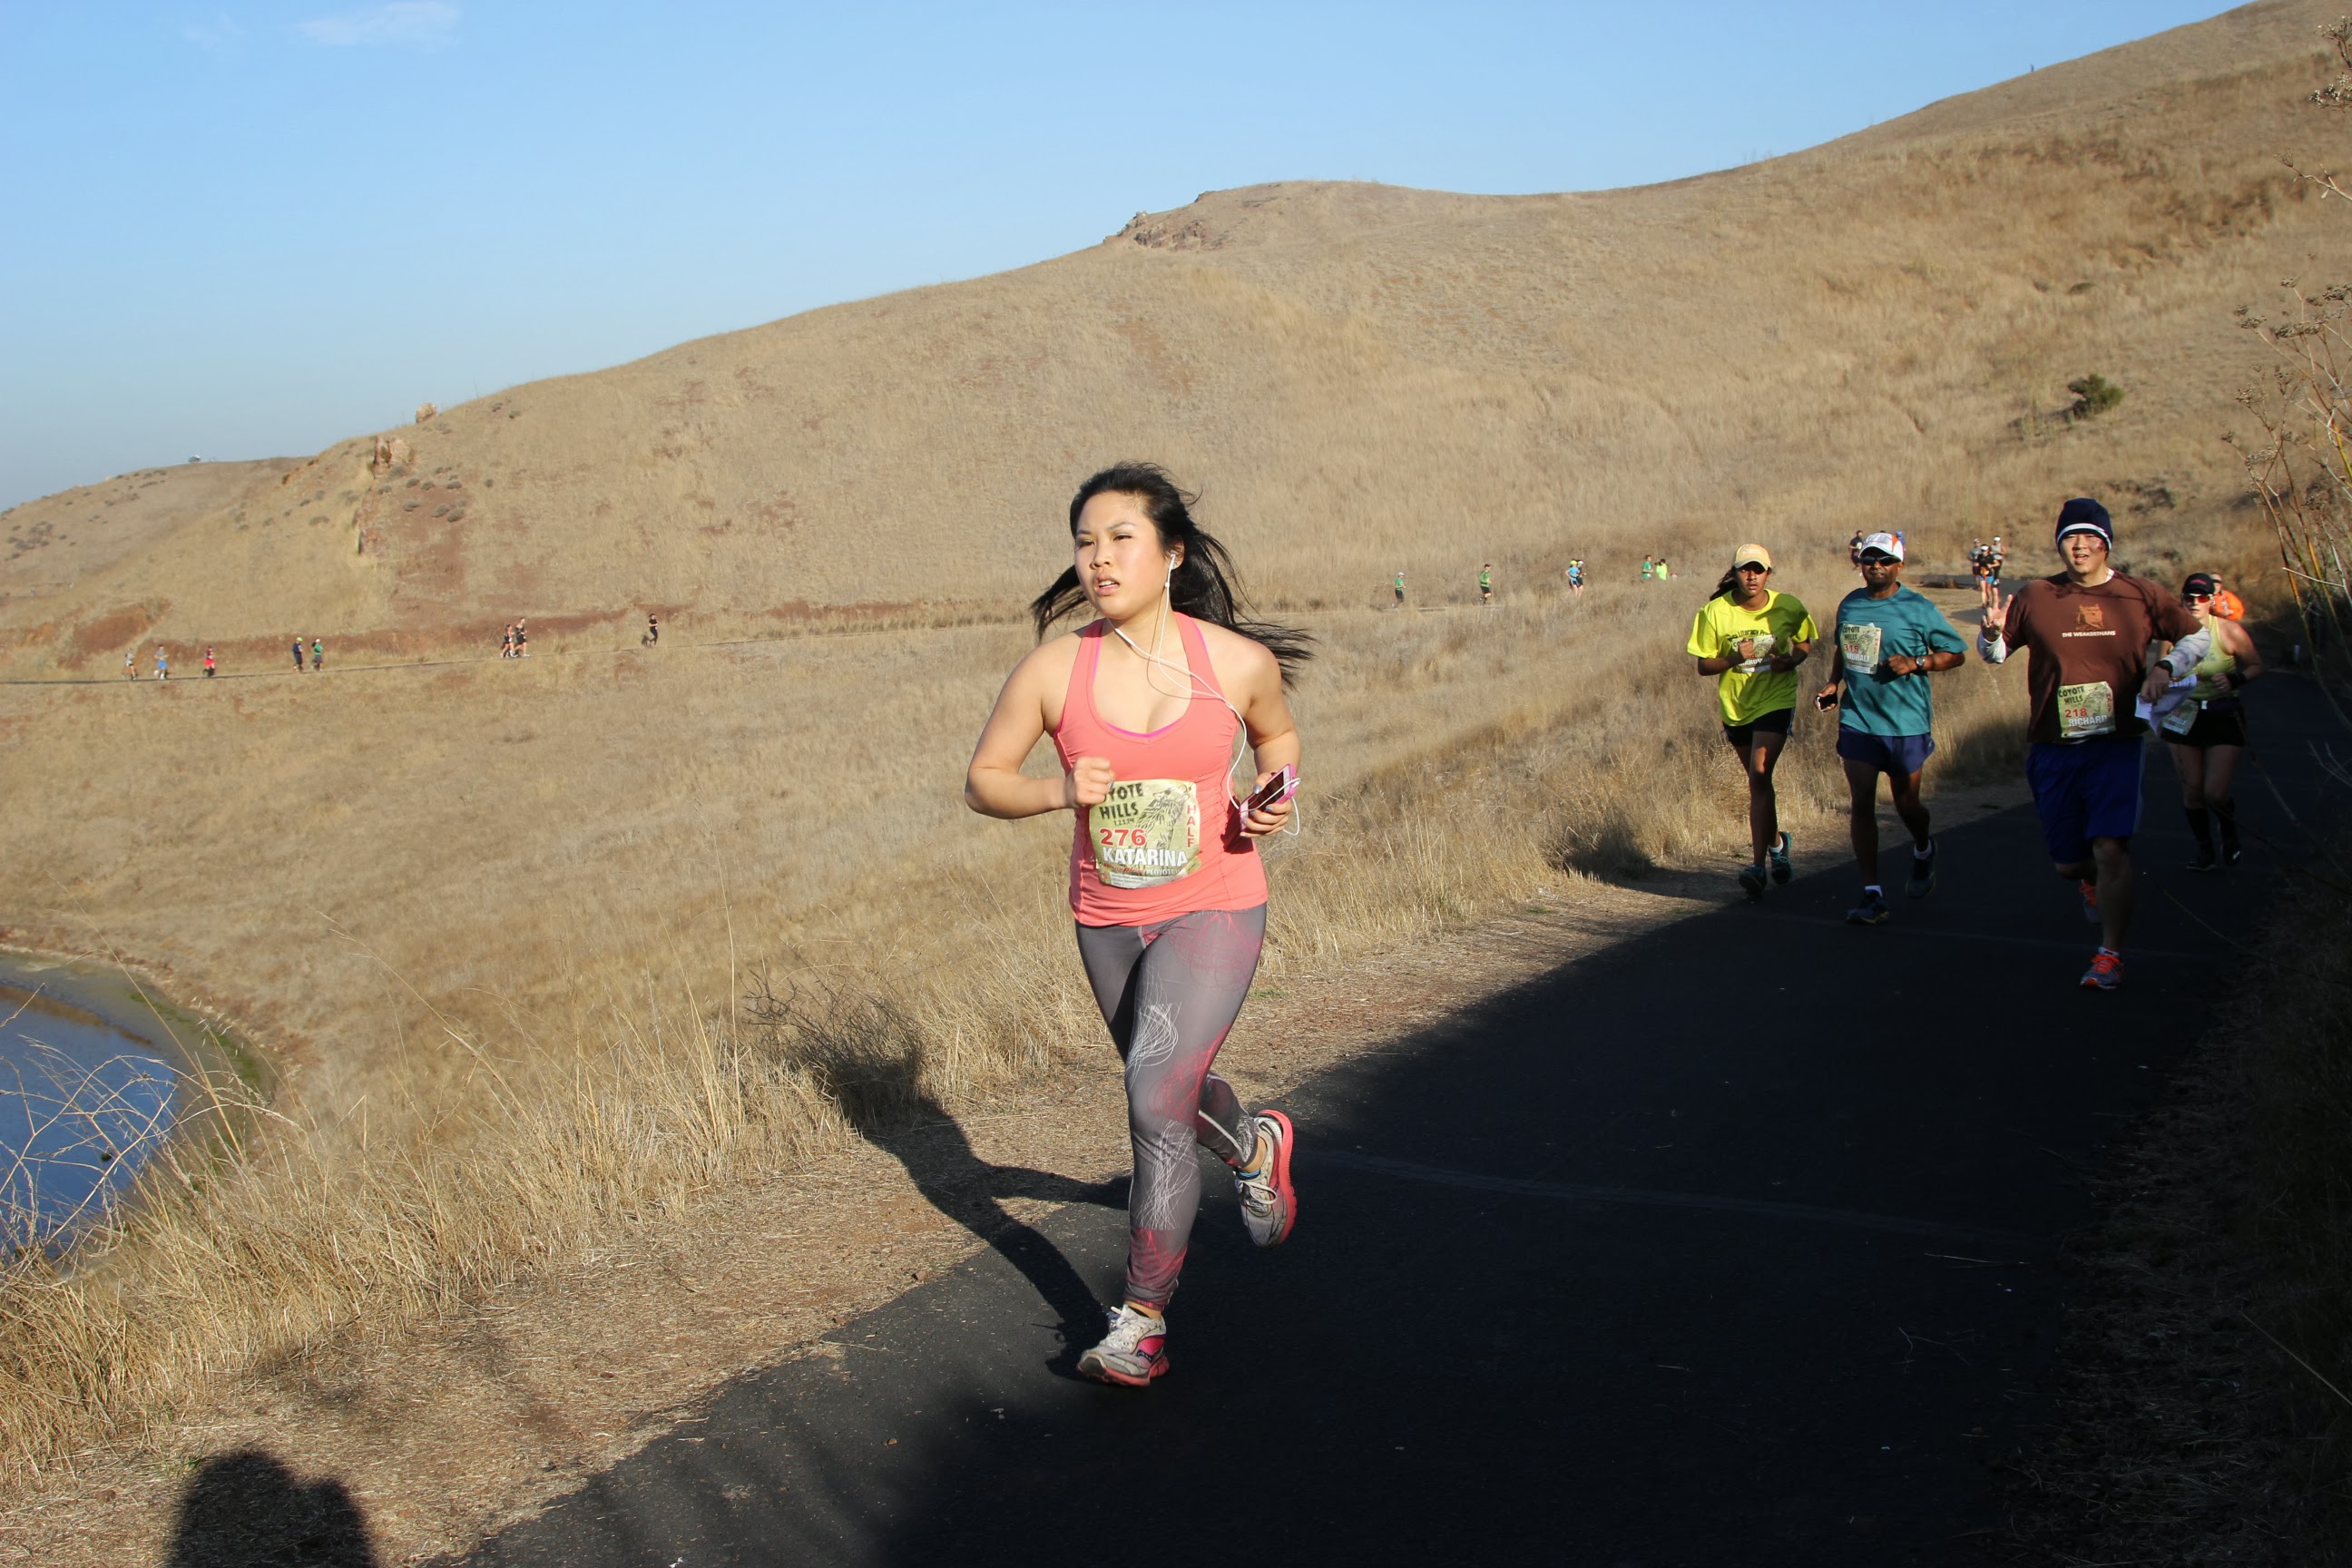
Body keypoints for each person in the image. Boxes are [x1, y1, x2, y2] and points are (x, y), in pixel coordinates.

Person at [963, 462, 1308, 1387]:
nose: (1100, 558)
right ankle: (1255, 1143)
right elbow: (982, 780)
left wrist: (1275, 799)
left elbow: (1278, 742)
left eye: (1121, 538)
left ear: (1172, 554)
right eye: (1085, 541)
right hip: (1108, 919)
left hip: (1217, 902)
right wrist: (1050, 791)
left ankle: (1141, 1321)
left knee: (1154, 1097)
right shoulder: (1053, 670)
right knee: (1171, 1088)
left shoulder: (1233, 663)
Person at [1980, 498, 2210, 990]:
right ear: (2059, 543)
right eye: (2070, 536)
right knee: (2069, 864)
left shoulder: (2139, 594)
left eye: (2090, 536)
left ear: (2106, 542)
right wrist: (1990, 635)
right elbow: (1996, 655)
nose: (2079, 545)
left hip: (2115, 742)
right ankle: (2089, 883)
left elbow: (2197, 638)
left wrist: (2166, 667)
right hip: (2052, 743)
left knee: (2110, 849)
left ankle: (2110, 953)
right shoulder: (2036, 595)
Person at [1817, 533, 1967, 925]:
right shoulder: (1849, 604)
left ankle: (1922, 847)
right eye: (1869, 559)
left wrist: (1919, 664)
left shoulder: (1918, 608)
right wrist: (1835, 684)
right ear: (1860, 564)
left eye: (1884, 560)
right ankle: (1872, 893)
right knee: (1862, 800)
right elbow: (1843, 648)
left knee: (1906, 804)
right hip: (1858, 719)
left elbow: (1956, 654)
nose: (1876, 566)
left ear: (1899, 565)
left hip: (1905, 721)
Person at [1687, 544, 1816, 899]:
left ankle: (1758, 866)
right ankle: (1777, 844)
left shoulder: (1788, 606)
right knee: (1759, 783)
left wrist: (1791, 661)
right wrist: (1731, 658)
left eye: (1759, 570)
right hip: (1737, 706)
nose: (1752, 576)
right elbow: (1702, 666)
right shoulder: (1715, 612)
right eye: (1746, 570)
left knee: (1760, 773)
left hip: (1776, 698)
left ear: (1769, 574)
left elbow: (1806, 640)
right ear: (1736, 573)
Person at [2160, 571, 2263, 869]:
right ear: (2181, 600)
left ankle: (2228, 832)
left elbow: (2257, 665)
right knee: (2192, 793)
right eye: (2189, 597)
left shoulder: (2229, 632)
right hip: (2184, 714)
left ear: (2212, 600)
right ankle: (2204, 850)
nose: (2195, 602)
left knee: (2215, 793)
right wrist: (2167, 678)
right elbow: (2158, 672)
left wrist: (2235, 678)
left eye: (2202, 597)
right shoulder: (2171, 635)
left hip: (2222, 712)